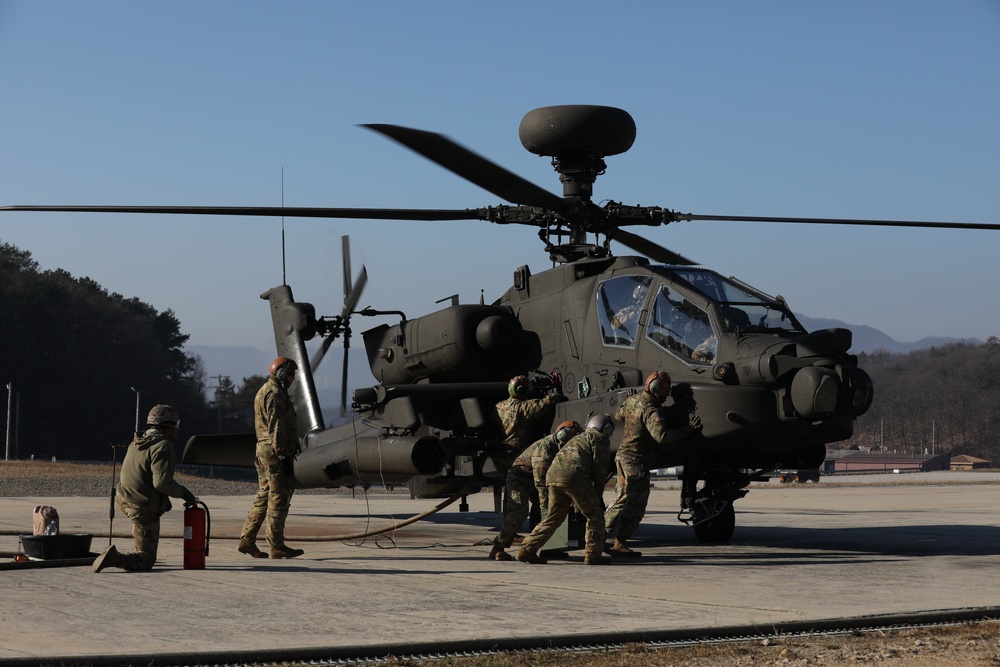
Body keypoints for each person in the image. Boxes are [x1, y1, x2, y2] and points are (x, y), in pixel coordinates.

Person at [604, 371, 702, 557]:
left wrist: (628, 399)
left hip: (623, 457)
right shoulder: (652, 409)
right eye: (665, 390)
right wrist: (688, 430)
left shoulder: (633, 400)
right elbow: (661, 436)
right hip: (636, 461)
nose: (667, 394)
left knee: (621, 499)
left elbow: (618, 414)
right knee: (635, 504)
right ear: (656, 388)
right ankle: (615, 541)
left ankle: (600, 537)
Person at [92, 404, 197, 572]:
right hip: (141, 507)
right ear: (168, 427)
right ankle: (115, 558)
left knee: (143, 535)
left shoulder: (137, 442)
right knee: (146, 559)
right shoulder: (163, 446)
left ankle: (136, 545)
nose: (176, 429)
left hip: (124, 498)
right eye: (175, 425)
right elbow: (162, 482)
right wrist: (185, 494)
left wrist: (163, 500)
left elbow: (145, 476)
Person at [516, 414, 615, 566]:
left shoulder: (576, 439)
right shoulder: (599, 439)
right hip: (575, 476)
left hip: (553, 477)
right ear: (606, 428)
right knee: (595, 515)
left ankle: (527, 548)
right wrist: (598, 494)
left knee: (554, 517)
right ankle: (593, 555)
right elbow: (600, 470)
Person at [238, 356, 305, 559]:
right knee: (278, 498)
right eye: (292, 374)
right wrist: (283, 454)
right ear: (282, 374)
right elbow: (276, 427)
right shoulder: (276, 394)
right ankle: (276, 545)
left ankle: (247, 540)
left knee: (264, 495)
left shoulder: (263, 391)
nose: (293, 378)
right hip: (275, 453)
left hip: (263, 450)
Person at [488, 420, 583, 561]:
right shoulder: (545, 449)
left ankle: (549, 549)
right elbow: (541, 483)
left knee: (554, 512)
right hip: (520, 478)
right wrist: (546, 505)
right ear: (563, 434)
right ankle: (497, 548)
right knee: (519, 512)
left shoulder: (560, 448)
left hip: (532, 478)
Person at [494, 373, 568, 523]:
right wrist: (556, 393)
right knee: (528, 490)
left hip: (501, 454)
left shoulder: (499, 407)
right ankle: (536, 523)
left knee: (510, 491)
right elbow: (543, 405)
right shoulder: (522, 408)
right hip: (517, 455)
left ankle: (510, 527)